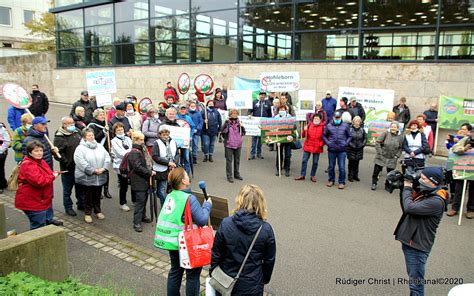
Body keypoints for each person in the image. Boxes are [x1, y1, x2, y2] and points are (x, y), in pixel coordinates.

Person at [154, 167, 212, 296]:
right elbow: (202, 219)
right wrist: (207, 205)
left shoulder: (170, 196)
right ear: (183, 181)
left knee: (175, 271)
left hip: (173, 242)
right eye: (186, 176)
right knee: (192, 275)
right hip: (188, 243)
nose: (188, 177)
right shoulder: (189, 198)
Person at [211, 184, 276, 295]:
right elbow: (269, 260)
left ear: (240, 200)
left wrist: (213, 271)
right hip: (251, 285)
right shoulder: (265, 230)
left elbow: (216, 253)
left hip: (225, 281)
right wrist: (263, 279)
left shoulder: (226, 223)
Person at [394, 167, 447, 296]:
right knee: (413, 279)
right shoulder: (428, 192)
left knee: (416, 284)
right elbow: (407, 207)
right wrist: (404, 187)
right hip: (412, 241)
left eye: (423, 178)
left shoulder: (436, 201)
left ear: (433, 182)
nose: (420, 180)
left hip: (417, 246)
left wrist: (407, 187)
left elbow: (409, 207)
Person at [15, 141, 60, 229]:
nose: (39, 153)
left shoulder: (41, 161)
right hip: (33, 201)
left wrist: (52, 174)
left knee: (42, 224)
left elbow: (47, 174)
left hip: (40, 199)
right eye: (36, 151)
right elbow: (39, 181)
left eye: (41, 150)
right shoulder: (29, 165)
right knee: (38, 227)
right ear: (30, 152)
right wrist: (53, 176)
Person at [74, 128, 111, 223]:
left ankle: (98, 211)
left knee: (98, 195)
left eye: (92, 135)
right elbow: (80, 162)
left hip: (100, 175)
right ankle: (88, 213)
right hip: (87, 177)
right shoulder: (80, 148)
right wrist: (93, 171)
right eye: (89, 135)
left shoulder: (99, 146)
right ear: (84, 137)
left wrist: (104, 168)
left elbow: (107, 157)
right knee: (88, 197)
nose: (91, 137)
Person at [53, 117, 84, 216]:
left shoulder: (77, 132)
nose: (72, 125)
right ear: (64, 125)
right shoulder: (59, 137)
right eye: (69, 124)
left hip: (78, 166)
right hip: (68, 168)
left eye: (72, 123)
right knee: (67, 189)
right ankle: (68, 207)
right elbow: (58, 155)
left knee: (80, 187)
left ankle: (81, 203)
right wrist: (66, 162)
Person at [127, 131, 155, 232]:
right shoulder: (134, 152)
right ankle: (136, 222)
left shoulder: (141, 149)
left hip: (143, 179)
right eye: (141, 140)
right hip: (138, 180)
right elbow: (137, 167)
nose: (143, 141)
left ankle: (142, 216)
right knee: (140, 201)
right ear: (136, 140)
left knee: (144, 199)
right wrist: (149, 172)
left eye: (143, 139)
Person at [447, 125, 474, 219]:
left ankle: (471, 209)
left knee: (473, 190)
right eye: (472, 132)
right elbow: (454, 149)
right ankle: (455, 208)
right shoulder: (465, 140)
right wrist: (464, 148)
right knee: (459, 188)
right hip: (463, 168)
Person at [371, 121, 404, 191]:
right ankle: (374, 183)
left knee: (390, 173)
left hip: (392, 158)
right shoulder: (385, 133)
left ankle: (387, 184)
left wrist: (397, 156)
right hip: (381, 156)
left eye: (395, 127)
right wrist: (380, 152)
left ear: (398, 128)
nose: (393, 128)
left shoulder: (400, 137)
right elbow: (378, 142)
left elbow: (401, 148)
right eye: (392, 126)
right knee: (376, 171)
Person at [323, 111, 351, 189]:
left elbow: (350, 136)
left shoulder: (345, 126)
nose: (337, 119)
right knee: (331, 166)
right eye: (336, 118)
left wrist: (346, 143)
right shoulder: (328, 126)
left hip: (342, 150)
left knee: (341, 167)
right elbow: (324, 135)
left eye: (338, 117)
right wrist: (328, 143)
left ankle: (342, 182)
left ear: (341, 118)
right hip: (331, 149)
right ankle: (331, 180)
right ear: (333, 118)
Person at [152, 125, 179, 206]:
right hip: (161, 169)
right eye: (163, 134)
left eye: (167, 134)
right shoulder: (156, 143)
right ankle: (164, 205)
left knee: (169, 188)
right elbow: (155, 157)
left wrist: (174, 163)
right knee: (162, 189)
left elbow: (177, 154)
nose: (165, 136)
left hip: (172, 168)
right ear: (160, 135)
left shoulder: (173, 141)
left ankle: (164, 198)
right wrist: (168, 163)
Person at [295, 113, 325, 182]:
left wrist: (321, 144)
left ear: (320, 120)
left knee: (315, 162)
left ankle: (313, 175)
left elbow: (325, 137)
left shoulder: (323, 127)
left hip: (317, 146)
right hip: (308, 145)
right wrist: (304, 130)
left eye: (317, 118)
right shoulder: (309, 125)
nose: (316, 120)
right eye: (315, 118)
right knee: (304, 160)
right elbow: (303, 135)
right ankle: (302, 175)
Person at [111, 122, 133, 211]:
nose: (120, 131)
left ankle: (134, 200)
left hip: (131, 164)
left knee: (133, 183)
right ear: (115, 132)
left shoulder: (128, 138)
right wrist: (131, 152)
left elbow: (132, 147)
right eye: (118, 130)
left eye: (121, 129)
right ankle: (122, 203)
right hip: (121, 165)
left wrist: (131, 152)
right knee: (123, 185)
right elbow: (120, 153)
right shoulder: (114, 141)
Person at [221, 109, 246, 183]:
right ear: (230, 114)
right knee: (229, 161)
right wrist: (225, 125)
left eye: (236, 113)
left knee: (237, 160)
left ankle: (236, 174)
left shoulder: (240, 123)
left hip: (238, 144)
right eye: (233, 113)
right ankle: (229, 176)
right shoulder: (227, 122)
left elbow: (243, 133)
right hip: (229, 144)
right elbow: (222, 132)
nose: (234, 114)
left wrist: (242, 127)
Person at [248, 91, 272, 160]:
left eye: (264, 95)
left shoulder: (268, 103)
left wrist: (269, 121)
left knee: (261, 139)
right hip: (255, 123)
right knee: (254, 139)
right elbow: (250, 110)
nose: (262, 96)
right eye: (261, 95)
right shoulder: (255, 102)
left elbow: (269, 113)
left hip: (263, 123)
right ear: (259, 96)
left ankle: (259, 153)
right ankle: (252, 154)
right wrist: (249, 114)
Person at [274, 105, 294, 177]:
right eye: (280, 109)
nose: (281, 110)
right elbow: (272, 127)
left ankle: (287, 169)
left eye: (283, 109)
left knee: (287, 155)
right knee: (279, 154)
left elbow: (293, 127)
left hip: (287, 138)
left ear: (286, 110)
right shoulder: (276, 117)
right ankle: (278, 169)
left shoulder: (289, 117)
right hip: (279, 138)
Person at [347, 116, 367, 182]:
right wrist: (351, 145)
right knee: (351, 163)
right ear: (353, 122)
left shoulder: (362, 130)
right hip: (351, 149)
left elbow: (365, 138)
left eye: (358, 121)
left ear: (360, 122)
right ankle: (350, 176)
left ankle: (355, 176)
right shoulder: (350, 129)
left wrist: (362, 145)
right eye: (356, 121)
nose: (357, 122)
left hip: (359, 149)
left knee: (357, 163)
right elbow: (347, 139)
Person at [177, 104, 196, 175]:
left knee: (186, 158)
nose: (183, 110)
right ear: (179, 110)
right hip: (177, 142)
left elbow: (193, 127)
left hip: (186, 141)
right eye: (181, 109)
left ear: (186, 110)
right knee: (178, 159)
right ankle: (179, 175)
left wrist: (190, 135)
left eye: (184, 109)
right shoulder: (175, 117)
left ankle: (187, 174)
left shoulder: (188, 118)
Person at [0, 123, 11, 194]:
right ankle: (3, 183)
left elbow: (7, 141)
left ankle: (1, 185)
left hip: (1, 152)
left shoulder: (2, 129)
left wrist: (0, 150)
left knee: (0, 168)